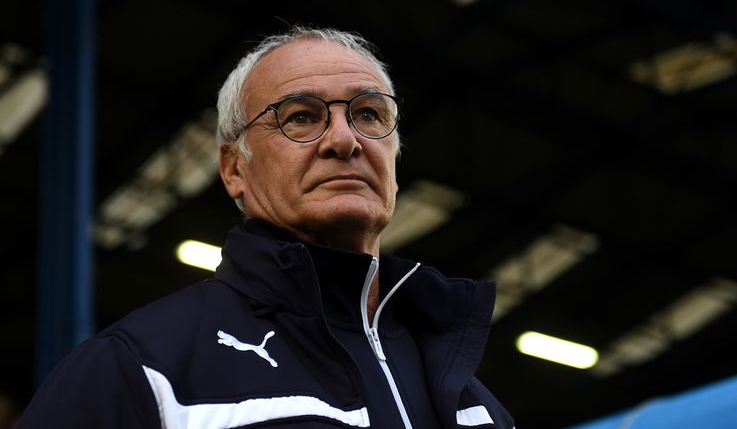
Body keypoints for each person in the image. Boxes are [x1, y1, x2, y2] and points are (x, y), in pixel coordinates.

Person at [19, 27, 515, 428]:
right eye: (300, 117)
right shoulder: (140, 369)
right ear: (234, 169)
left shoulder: (475, 403)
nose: (344, 140)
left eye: (369, 114)